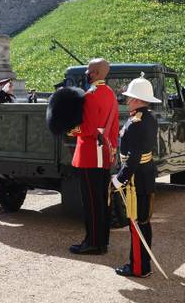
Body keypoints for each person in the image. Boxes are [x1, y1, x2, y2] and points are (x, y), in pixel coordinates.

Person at [111, 74, 161, 277]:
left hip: (136, 178)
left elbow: (133, 156)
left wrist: (120, 178)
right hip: (145, 175)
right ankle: (143, 264)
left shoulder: (137, 122)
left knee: (137, 223)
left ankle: (139, 267)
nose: (127, 100)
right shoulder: (147, 118)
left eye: (130, 98)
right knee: (143, 221)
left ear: (139, 100)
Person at [68, 59, 119, 256]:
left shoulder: (91, 95)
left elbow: (88, 129)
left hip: (90, 154)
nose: (86, 73)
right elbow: (113, 127)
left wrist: (70, 129)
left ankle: (93, 243)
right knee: (102, 202)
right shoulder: (110, 94)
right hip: (105, 153)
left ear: (95, 72)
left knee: (91, 202)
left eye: (89, 70)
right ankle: (102, 241)